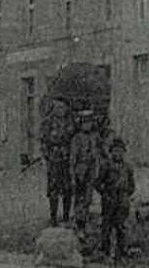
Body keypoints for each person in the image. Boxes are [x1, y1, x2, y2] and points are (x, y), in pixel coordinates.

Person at [96, 136, 137, 262]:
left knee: (121, 226)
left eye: (120, 151)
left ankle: (121, 252)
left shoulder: (128, 167)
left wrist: (125, 195)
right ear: (110, 152)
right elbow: (98, 183)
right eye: (115, 151)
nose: (117, 153)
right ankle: (105, 251)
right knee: (106, 226)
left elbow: (132, 185)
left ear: (124, 152)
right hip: (109, 199)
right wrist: (105, 193)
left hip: (122, 200)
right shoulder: (106, 166)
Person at [68, 111, 105, 241]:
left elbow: (102, 150)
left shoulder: (95, 137)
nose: (87, 125)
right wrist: (73, 176)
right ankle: (80, 227)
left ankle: (85, 223)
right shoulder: (77, 139)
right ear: (80, 124)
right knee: (80, 199)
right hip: (81, 171)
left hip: (92, 169)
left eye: (89, 122)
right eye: (85, 122)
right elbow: (72, 158)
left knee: (88, 199)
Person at [39, 97, 75, 227]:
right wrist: (46, 156)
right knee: (53, 188)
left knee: (67, 188)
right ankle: (53, 216)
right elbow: (43, 141)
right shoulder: (47, 122)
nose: (61, 110)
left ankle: (66, 216)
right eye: (58, 107)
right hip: (54, 158)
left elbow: (74, 139)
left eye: (63, 108)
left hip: (67, 158)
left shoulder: (70, 121)